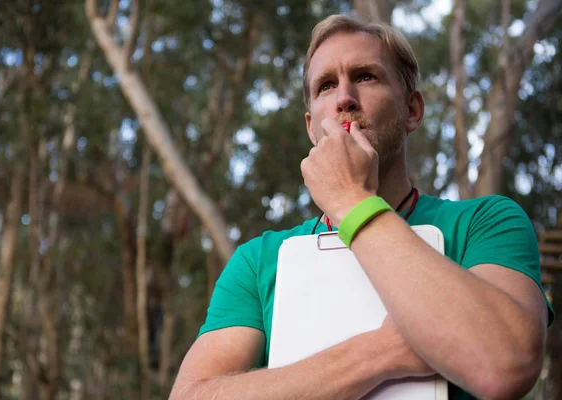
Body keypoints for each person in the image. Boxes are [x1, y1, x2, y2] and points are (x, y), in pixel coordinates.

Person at [169, 14, 554, 400]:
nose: (344, 99)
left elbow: (507, 365)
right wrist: (383, 351)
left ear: (413, 110)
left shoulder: (484, 223)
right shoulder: (257, 262)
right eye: (325, 86)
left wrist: (351, 200)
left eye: (366, 76)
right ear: (310, 126)